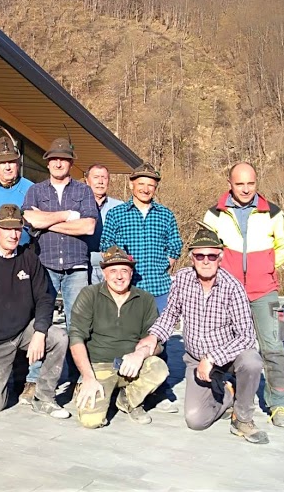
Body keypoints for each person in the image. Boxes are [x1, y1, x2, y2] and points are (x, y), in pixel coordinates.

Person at [138, 225, 269, 445]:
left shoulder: (233, 287)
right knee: (195, 420)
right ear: (192, 258)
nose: (206, 260)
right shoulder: (181, 279)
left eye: (211, 255)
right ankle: (228, 393)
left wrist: (213, 358)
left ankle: (243, 418)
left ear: (220, 258)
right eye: (200, 255)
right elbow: (170, 315)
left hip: (227, 358)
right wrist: (153, 337)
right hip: (195, 358)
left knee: (252, 361)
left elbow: (247, 336)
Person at [203, 162, 284, 428]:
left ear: (256, 182)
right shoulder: (214, 215)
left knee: (273, 347)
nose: (245, 189)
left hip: (264, 291)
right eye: (240, 183)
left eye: (250, 183)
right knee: (226, 346)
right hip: (227, 291)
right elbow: (207, 249)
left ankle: (279, 404)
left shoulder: (274, 213)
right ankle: (228, 394)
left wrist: (265, 268)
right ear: (230, 183)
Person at [0, 204, 70, 419]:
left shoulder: (29, 258)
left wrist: (40, 332)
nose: (13, 234)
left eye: (18, 229)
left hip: (23, 331)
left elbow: (45, 298)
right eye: (7, 229)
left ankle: (44, 397)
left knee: (59, 337)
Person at [101, 161, 181, 410]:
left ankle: (160, 388)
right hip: (128, 288)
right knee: (125, 336)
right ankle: (123, 384)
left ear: (155, 187)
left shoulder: (165, 214)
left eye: (151, 185)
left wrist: (162, 264)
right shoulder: (117, 214)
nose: (146, 189)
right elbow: (106, 245)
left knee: (158, 340)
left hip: (158, 287)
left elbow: (175, 245)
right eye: (141, 184)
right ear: (132, 184)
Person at [70, 247, 168, 429]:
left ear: (131, 273)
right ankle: (85, 387)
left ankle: (128, 400)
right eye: (113, 271)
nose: (119, 276)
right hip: (98, 366)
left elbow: (157, 342)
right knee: (91, 422)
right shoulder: (89, 295)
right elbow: (76, 338)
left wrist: (140, 355)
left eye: (124, 270)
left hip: (131, 365)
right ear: (104, 273)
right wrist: (88, 377)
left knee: (159, 368)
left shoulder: (145, 299)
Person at [0, 130, 38, 404]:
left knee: (23, 310)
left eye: (12, 161)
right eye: (3, 162)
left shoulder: (30, 187)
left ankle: (26, 376)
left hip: (22, 254)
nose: (8, 166)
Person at [22, 137, 97, 340]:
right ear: (47, 163)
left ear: (71, 163)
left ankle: (77, 372)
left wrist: (46, 222)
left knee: (78, 324)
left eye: (63, 159)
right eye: (54, 159)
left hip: (77, 268)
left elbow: (88, 227)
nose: (58, 163)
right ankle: (38, 372)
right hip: (45, 264)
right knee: (40, 321)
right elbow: (30, 220)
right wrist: (67, 215)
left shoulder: (84, 191)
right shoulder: (35, 191)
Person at [85, 164, 122, 283]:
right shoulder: (78, 205)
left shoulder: (120, 207)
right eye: (96, 177)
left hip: (112, 267)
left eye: (104, 178)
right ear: (87, 181)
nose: (100, 181)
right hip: (84, 267)